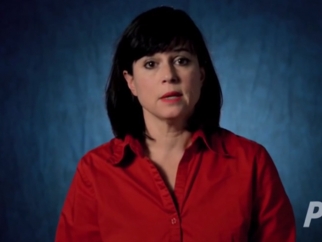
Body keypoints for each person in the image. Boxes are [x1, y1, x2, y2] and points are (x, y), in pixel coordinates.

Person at [55, 6, 296, 242]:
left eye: (181, 60)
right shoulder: (94, 172)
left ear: (201, 75)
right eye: (151, 63)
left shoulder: (251, 162)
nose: (169, 75)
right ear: (131, 82)